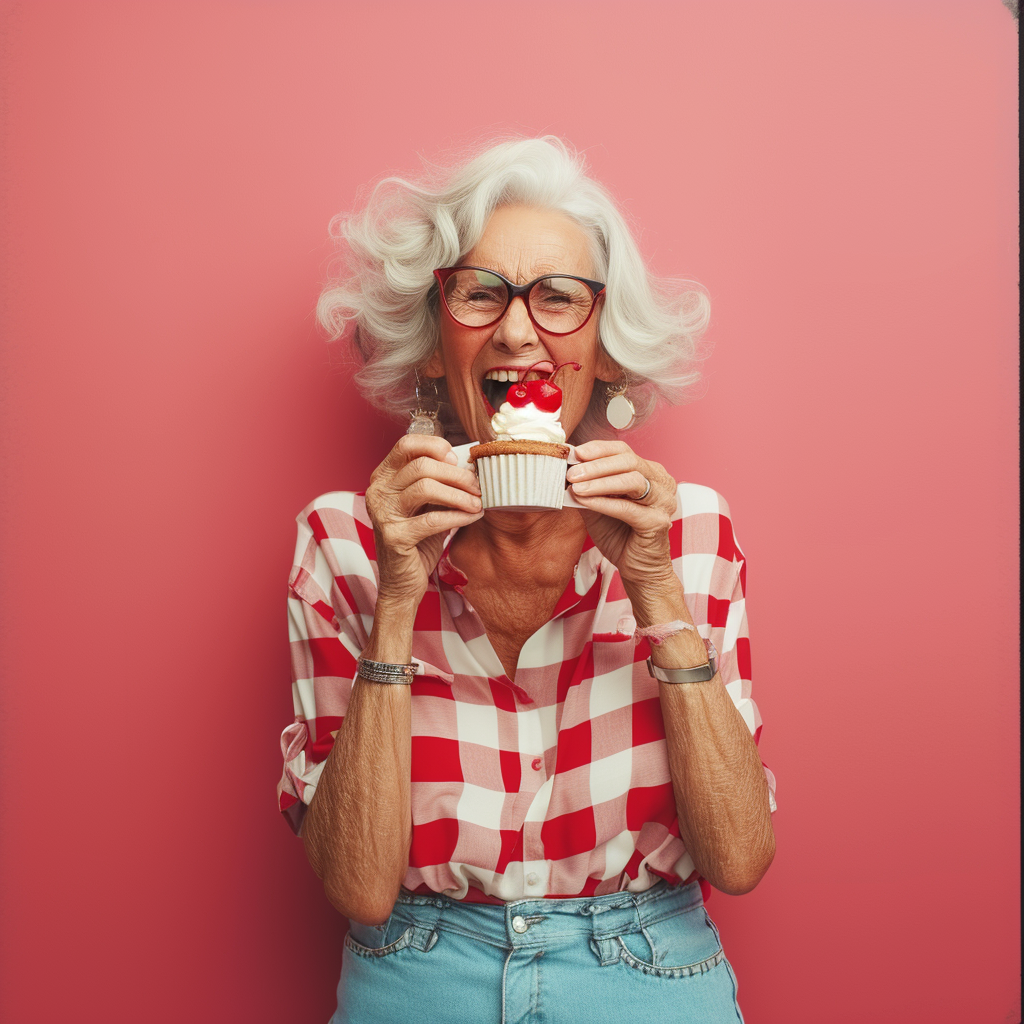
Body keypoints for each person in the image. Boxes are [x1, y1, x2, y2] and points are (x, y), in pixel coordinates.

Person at [277, 137, 777, 1024]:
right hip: (417, 974)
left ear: (608, 352)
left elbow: (739, 860)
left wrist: (654, 589)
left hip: (648, 973)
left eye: (559, 298)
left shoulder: (688, 529)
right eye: (480, 294)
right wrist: (399, 597)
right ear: (435, 349)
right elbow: (357, 885)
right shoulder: (346, 540)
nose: (516, 330)